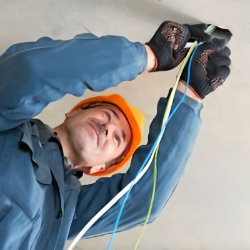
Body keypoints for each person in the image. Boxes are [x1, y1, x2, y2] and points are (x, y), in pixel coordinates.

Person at [0, 21, 231, 249]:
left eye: (118, 139)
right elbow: (29, 71)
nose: (108, 128)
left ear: (100, 168)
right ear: (73, 112)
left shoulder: (68, 215)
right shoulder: (8, 124)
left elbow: (142, 201)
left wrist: (189, 94)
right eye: (106, 114)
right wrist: (148, 55)